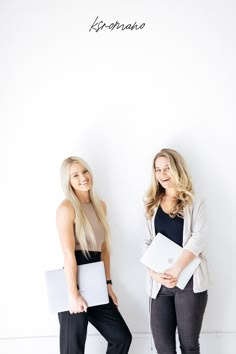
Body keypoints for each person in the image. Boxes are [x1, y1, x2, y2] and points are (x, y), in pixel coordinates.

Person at [56, 156, 132, 354]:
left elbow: (104, 249)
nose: (83, 177)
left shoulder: (101, 206)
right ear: (68, 181)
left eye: (85, 171)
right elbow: (68, 253)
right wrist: (73, 294)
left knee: (121, 338)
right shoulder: (67, 208)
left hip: (96, 275)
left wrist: (108, 284)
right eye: (75, 175)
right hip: (74, 276)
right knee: (73, 348)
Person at [143, 148, 209, 354]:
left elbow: (199, 239)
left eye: (167, 169)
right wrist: (154, 274)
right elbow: (146, 242)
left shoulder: (195, 202)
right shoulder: (151, 205)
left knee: (189, 346)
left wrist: (177, 269)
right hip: (159, 286)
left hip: (189, 284)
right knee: (163, 348)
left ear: (178, 170)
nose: (162, 174)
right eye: (158, 169)